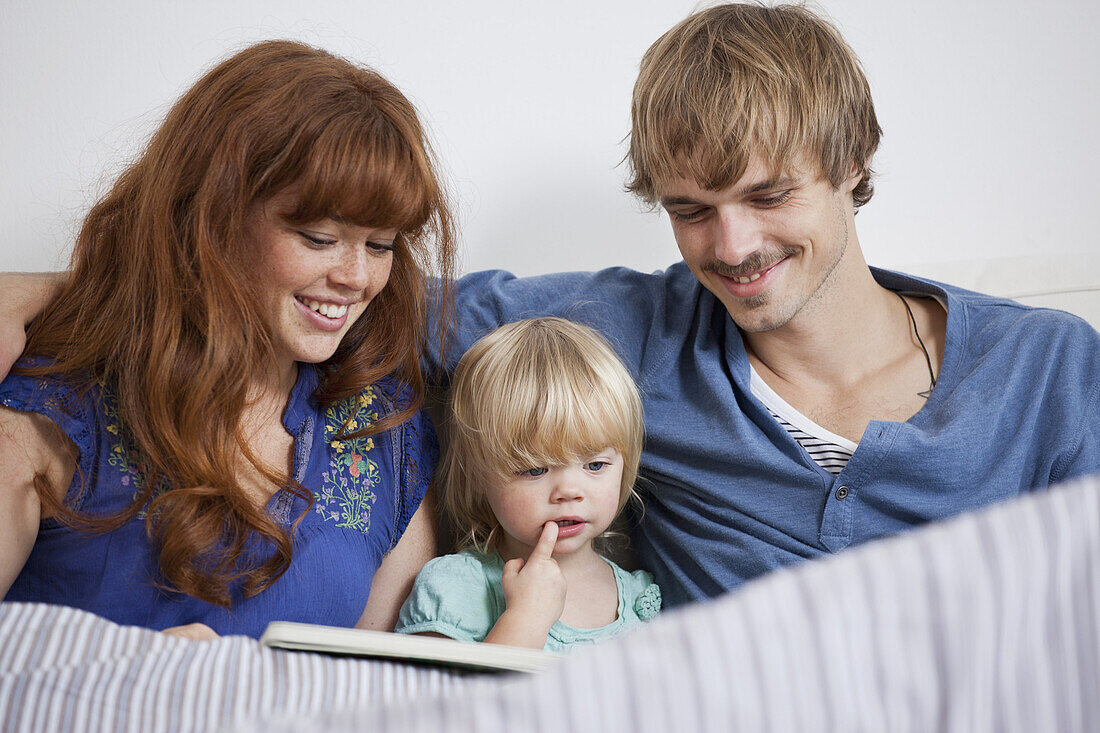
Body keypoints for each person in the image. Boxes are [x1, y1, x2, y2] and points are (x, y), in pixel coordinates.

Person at [4, 4, 1100, 611]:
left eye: (768, 196)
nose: (731, 247)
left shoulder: (1050, 371)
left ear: (853, 162)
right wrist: (61, 292)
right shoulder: (620, 335)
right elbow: (325, 291)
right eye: (688, 209)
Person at [0, 40, 457, 639]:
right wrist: (124, 677)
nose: (357, 277)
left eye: (381, 245)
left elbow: (385, 696)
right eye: (319, 237)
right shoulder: (47, 404)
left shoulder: (386, 431)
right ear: (208, 217)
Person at [395, 318, 660, 651]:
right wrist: (525, 618)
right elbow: (440, 703)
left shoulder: (639, 598)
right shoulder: (457, 588)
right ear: (477, 476)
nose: (569, 491)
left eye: (595, 465)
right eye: (534, 470)